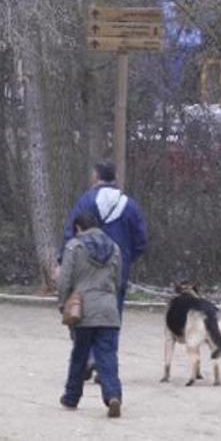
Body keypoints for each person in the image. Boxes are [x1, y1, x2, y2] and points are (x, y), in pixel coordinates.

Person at [58, 210, 123, 417]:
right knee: (108, 356)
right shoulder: (114, 248)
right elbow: (118, 281)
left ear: (78, 227)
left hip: (83, 309)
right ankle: (113, 396)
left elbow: (65, 279)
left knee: (79, 355)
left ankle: (71, 397)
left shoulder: (74, 247)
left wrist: (63, 303)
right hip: (109, 310)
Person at [62, 161, 148, 315]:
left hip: (85, 272)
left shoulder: (85, 202)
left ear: (96, 177)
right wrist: (125, 258)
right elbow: (140, 242)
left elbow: (70, 233)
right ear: (116, 177)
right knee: (113, 318)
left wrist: (63, 261)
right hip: (117, 271)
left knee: (82, 317)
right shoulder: (130, 205)